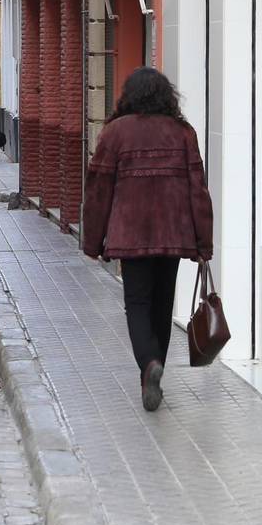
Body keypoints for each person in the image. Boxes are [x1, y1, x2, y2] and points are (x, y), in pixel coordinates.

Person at [80, 67, 215, 414]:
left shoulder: (115, 133)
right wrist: (204, 243)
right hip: (173, 235)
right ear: (166, 96)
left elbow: (98, 190)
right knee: (161, 305)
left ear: (129, 95)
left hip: (131, 234)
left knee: (137, 305)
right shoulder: (183, 132)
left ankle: (149, 364)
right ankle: (153, 374)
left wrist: (93, 242)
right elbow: (198, 191)